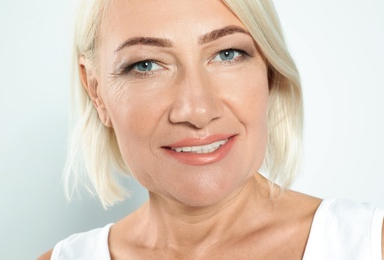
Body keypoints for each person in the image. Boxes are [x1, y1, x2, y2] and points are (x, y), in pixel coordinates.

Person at [39, 0, 384, 259]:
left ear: (269, 71)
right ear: (96, 90)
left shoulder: (371, 243)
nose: (198, 111)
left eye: (227, 54)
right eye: (146, 65)